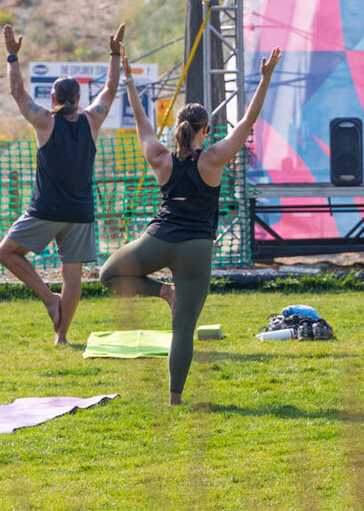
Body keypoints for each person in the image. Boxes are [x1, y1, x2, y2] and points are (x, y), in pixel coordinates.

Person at [103, 47, 281, 405]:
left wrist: (128, 81)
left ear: (179, 127)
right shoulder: (215, 158)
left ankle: (161, 292)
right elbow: (248, 119)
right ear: (207, 130)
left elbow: (142, 122)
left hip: (159, 238)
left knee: (109, 275)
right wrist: (264, 78)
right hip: (197, 250)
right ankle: (175, 400)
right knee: (182, 328)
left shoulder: (160, 158)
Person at [0, 22, 125, 346]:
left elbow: (17, 93)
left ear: (53, 97)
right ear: (79, 99)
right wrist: (113, 54)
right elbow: (109, 91)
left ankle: (48, 298)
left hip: (46, 210)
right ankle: (62, 336)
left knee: (6, 253)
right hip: (81, 212)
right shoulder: (91, 120)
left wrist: (13, 57)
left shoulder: (44, 121)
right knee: (73, 276)